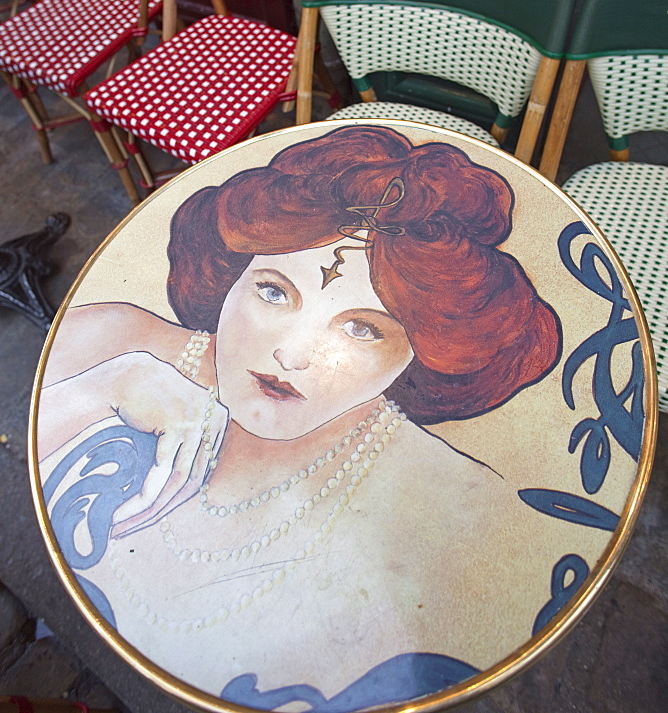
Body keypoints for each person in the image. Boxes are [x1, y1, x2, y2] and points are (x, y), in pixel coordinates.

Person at [38, 125, 562, 710]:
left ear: (422, 354)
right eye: (272, 292)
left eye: (362, 328)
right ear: (232, 275)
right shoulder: (106, 342)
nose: (291, 355)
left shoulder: (462, 507)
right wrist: (114, 380)